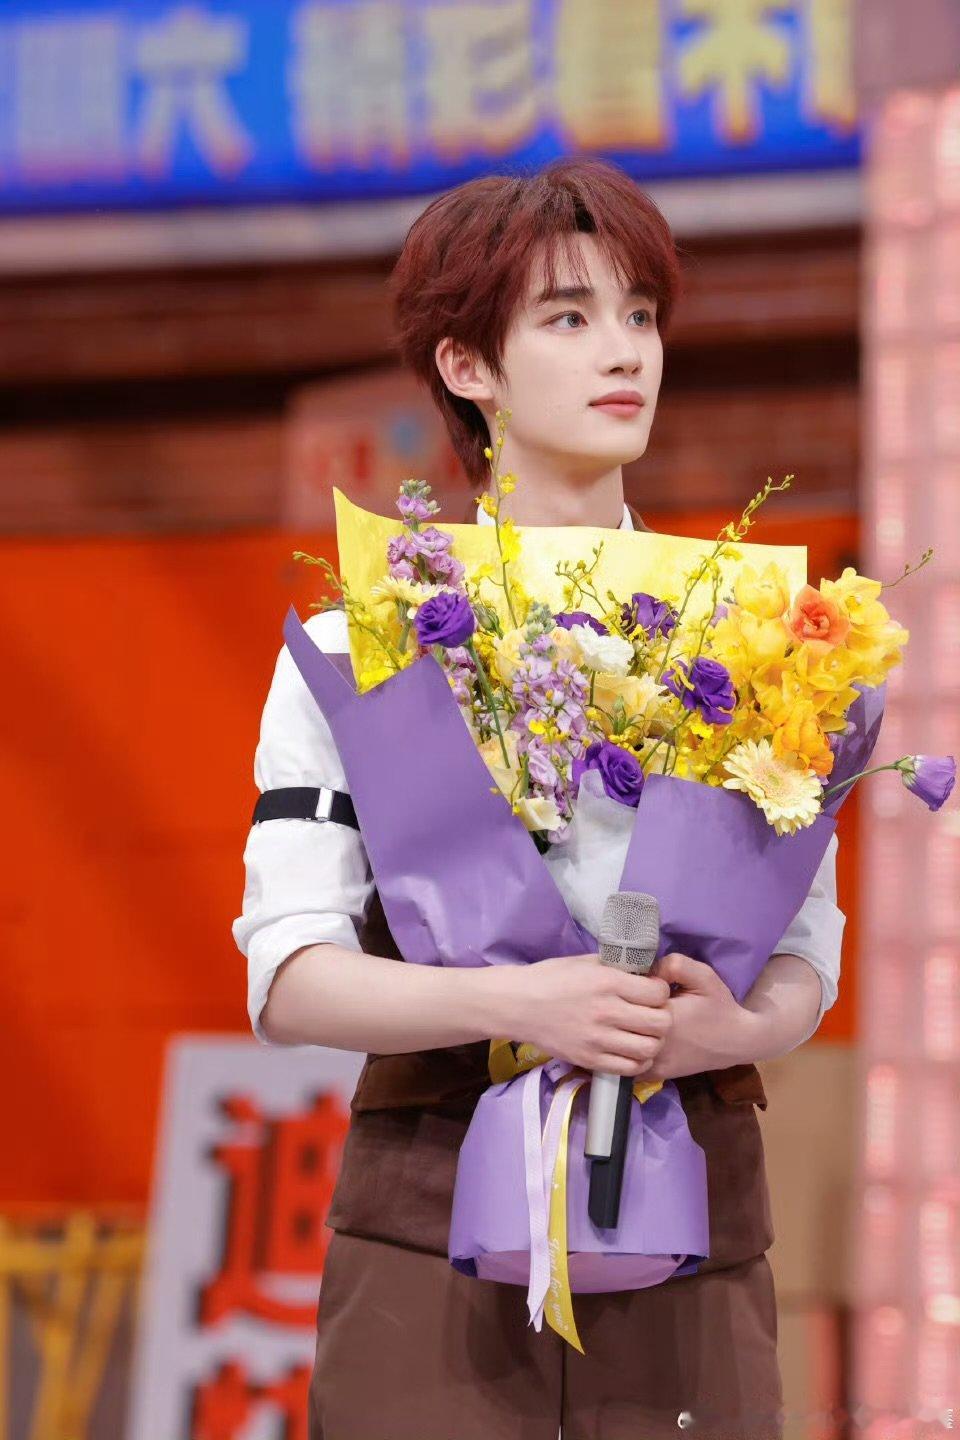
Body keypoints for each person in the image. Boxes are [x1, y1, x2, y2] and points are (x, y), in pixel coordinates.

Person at [232, 157, 844, 1440]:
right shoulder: (367, 640)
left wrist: (726, 1031)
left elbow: (805, 953)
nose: (625, 351)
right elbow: (290, 981)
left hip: (691, 1217)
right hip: (429, 1220)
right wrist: (526, 1004)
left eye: (641, 314)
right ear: (468, 366)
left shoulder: (756, 638)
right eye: (569, 317)